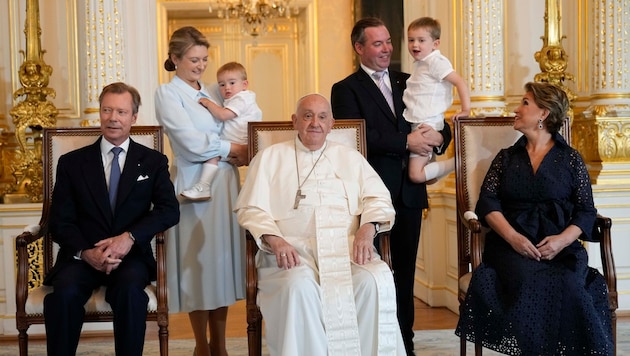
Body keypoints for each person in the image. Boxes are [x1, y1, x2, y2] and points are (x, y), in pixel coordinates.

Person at [235, 94, 406, 355]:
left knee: (373, 282)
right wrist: (275, 239)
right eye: (307, 115)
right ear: (295, 121)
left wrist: (367, 228)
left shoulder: (351, 158)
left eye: (322, 117)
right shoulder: (270, 158)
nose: (315, 123)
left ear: (331, 124)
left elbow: (379, 199)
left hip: (346, 252)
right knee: (298, 288)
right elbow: (251, 208)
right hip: (291, 254)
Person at [455, 82, 614, 355]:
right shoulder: (506, 158)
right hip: (510, 249)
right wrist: (514, 238)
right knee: (528, 282)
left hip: (560, 251)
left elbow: (586, 210)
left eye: (525, 103)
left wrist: (561, 242)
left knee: (571, 287)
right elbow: (487, 203)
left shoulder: (571, 160)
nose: (516, 109)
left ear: (543, 113)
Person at [331, 17, 452, 355]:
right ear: (359, 48)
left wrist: (441, 138)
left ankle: (405, 345)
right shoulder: (346, 89)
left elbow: (435, 117)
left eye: (388, 42)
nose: (387, 49)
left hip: (409, 195)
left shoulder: (412, 79)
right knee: (372, 275)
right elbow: (357, 136)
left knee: (404, 275)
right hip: (369, 197)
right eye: (377, 43)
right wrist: (406, 142)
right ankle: (369, 344)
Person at [43, 82, 180, 356]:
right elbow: (59, 220)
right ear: (100, 114)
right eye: (107, 110)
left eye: (121, 111)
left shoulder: (153, 161)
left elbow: (169, 210)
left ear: (134, 117)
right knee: (64, 296)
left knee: (130, 294)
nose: (113, 118)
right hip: (81, 257)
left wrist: (129, 238)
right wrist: (87, 251)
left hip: (130, 257)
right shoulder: (72, 163)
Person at [155, 26, 247, 356]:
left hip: (225, 186)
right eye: (194, 59)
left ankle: (220, 345)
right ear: (175, 59)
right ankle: (201, 346)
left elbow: (240, 116)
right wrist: (230, 147)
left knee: (221, 266)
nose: (201, 65)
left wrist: (239, 145)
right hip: (194, 185)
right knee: (201, 267)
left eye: (205, 59)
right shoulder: (167, 94)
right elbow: (189, 143)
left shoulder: (213, 89)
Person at [182, 61, 262, 201]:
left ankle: (203, 186)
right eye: (222, 84)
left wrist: (208, 103)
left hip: (240, 142)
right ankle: (204, 186)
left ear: (244, 85)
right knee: (212, 154)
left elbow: (223, 115)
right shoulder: (236, 98)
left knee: (211, 152)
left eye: (232, 83)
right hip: (234, 142)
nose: (227, 88)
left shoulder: (242, 98)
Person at [403, 17, 470, 184]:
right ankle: (458, 163)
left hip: (426, 123)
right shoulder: (421, 63)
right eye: (411, 40)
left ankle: (459, 162)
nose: (415, 45)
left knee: (416, 175)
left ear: (435, 44)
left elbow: (459, 81)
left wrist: (466, 110)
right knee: (428, 179)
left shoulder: (436, 62)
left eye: (421, 40)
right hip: (419, 120)